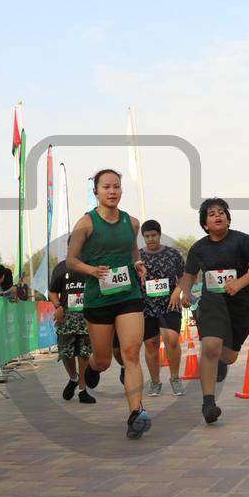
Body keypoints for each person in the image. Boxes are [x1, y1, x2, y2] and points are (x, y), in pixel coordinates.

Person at [66, 168, 150, 439]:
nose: (112, 191)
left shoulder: (132, 223)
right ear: (96, 192)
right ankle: (92, 367)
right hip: (98, 299)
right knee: (103, 360)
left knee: (131, 354)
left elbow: (132, 250)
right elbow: (71, 260)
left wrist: (137, 263)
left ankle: (136, 413)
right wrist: (91, 270)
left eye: (116, 186)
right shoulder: (86, 223)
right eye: (106, 187)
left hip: (128, 295)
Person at [176, 198, 249, 424]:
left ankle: (220, 360)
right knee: (210, 346)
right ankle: (208, 403)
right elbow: (189, 275)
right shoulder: (198, 248)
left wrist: (239, 283)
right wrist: (185, 293)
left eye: (221, 212)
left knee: (229, 356)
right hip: (212, 303)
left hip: (239, 306)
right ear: (205, 224)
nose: (218, 216)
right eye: (211, 214)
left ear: (228, 218)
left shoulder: (243, 241)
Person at [138, 219, 186, 396]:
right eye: (147, 236)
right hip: (146, 306)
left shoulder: (173, 254)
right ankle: (155, 382)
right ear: (143, 237)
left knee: (172, 340)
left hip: (170, 304)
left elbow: (184, 276)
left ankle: (175, 378)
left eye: (154, 235)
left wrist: (177, 292)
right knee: (151, 344)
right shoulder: (137, 257)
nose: (151, 239)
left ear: (159, 235)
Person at [49, 252, 96, 404]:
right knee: (66, 353)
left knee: (84, 353)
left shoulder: (92, 266)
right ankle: (73, 378)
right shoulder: (61, 267)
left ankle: (83, 390)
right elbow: (52, 291)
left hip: (87, 316)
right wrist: (58, 306)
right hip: (66, 317)